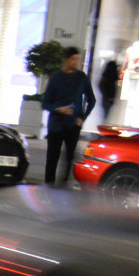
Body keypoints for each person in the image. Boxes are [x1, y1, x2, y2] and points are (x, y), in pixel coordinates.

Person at [40, 45, 96, 187]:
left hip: (72, 125)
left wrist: (82, 118)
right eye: (73, 59)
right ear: (66, 60)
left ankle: (63, 184)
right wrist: (58, 109)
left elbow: (91, 100)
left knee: (69, 158)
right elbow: (45, 103)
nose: (76, 62)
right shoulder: (56, 78)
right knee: (52, 158)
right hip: (56, 125)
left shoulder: (81, 78)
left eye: (78, 59)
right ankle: (49, 185)